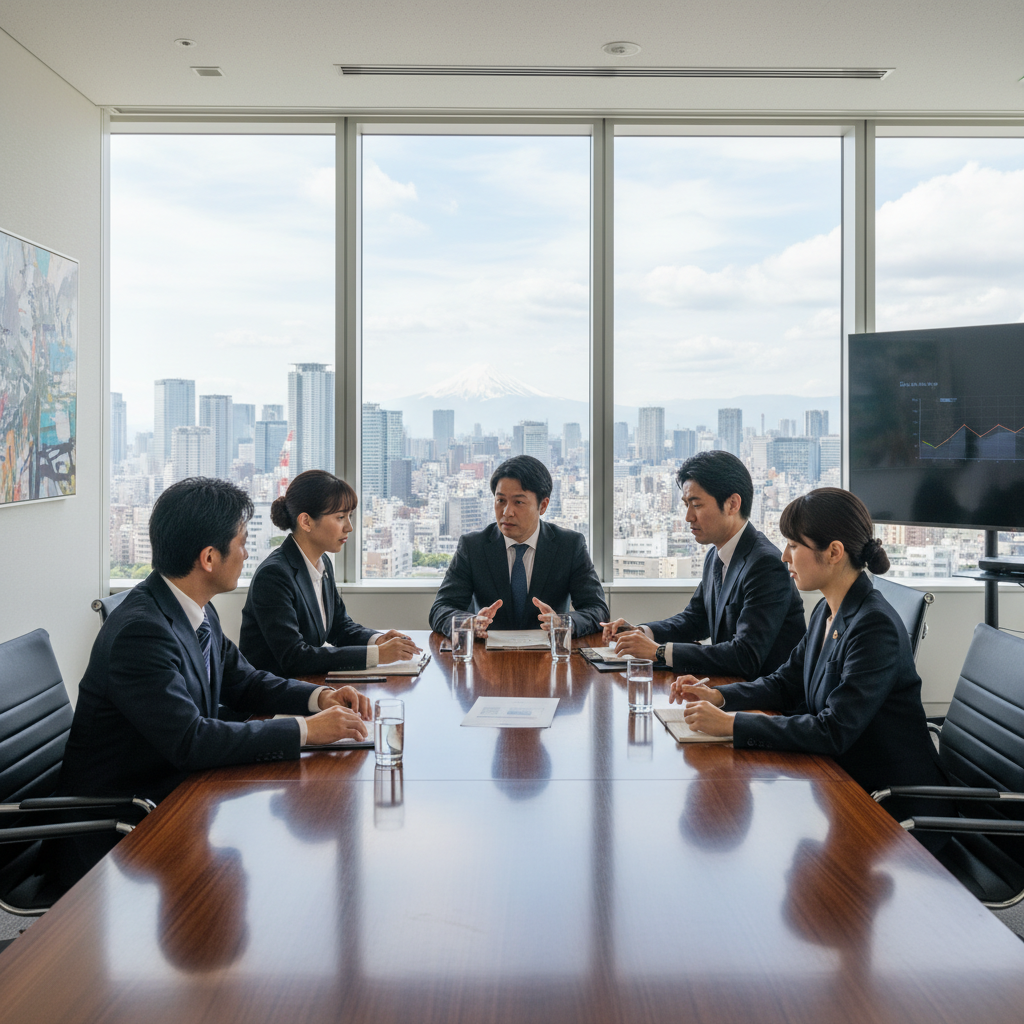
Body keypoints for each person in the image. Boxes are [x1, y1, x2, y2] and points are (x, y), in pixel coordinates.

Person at [58, 477, 372, 883]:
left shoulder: (195, 609)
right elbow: (191, 741)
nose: (246, 554)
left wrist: (320, 698)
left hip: (178, 793)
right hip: (122, 827)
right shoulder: (141, 632)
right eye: (241, 542)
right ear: (209, 558)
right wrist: (306, 732)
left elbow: (246, 681)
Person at [669, 487, 949, 829]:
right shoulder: (826, 610)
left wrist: (731, 724)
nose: (785, 557)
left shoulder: (874, 626)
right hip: (840, 786)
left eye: (794, 545)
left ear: (833, 552)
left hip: (893, 809)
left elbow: (833, 730)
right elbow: (785, 682)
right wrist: (720, 696)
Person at [602, 451, 805, 679]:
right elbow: (695, 619)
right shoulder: (716, 555)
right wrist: (642, 632)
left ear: (732, 504)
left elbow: (746, 656)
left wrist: (658, 652)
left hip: (767, 706)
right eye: (686, 505)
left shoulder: (765, 564)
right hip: (730, 688)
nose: (688, 517)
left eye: (696, 505)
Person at [239, 469, 420, 677]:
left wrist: (378, 640)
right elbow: (294, 657)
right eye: (341, 517)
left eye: (349, 517)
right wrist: (376, 655)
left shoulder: (322, 562)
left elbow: (339, 627)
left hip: (307, 685)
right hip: (272, 700)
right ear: (306, 521)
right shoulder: (273, 575)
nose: (349, 527)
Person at [428, 455, 609, 637]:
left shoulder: (569, 545)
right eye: (501, 501)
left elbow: (598, 610)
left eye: (518, 502)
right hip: (487, 658)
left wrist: (564, 623)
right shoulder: (473, 546)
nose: (507, 512)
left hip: (548, 657)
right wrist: (470, 624)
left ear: (543, 505)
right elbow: (441, 609)